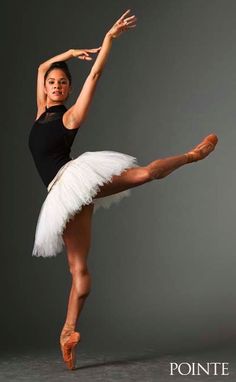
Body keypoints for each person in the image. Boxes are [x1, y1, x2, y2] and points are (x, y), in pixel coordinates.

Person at [28, 9, 218, 371]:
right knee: (78, 272)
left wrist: (108, 41)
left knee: (144, 174)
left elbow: (95, 74)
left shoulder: (69, 117)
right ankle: (68, 332)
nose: (55, 86)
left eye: (62, 83)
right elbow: (40, 68)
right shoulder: (40, 110)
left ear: (68, 89)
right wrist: (67, 53)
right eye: (53, 82)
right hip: (60, 193)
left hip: (74, 179)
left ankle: (192, 155)